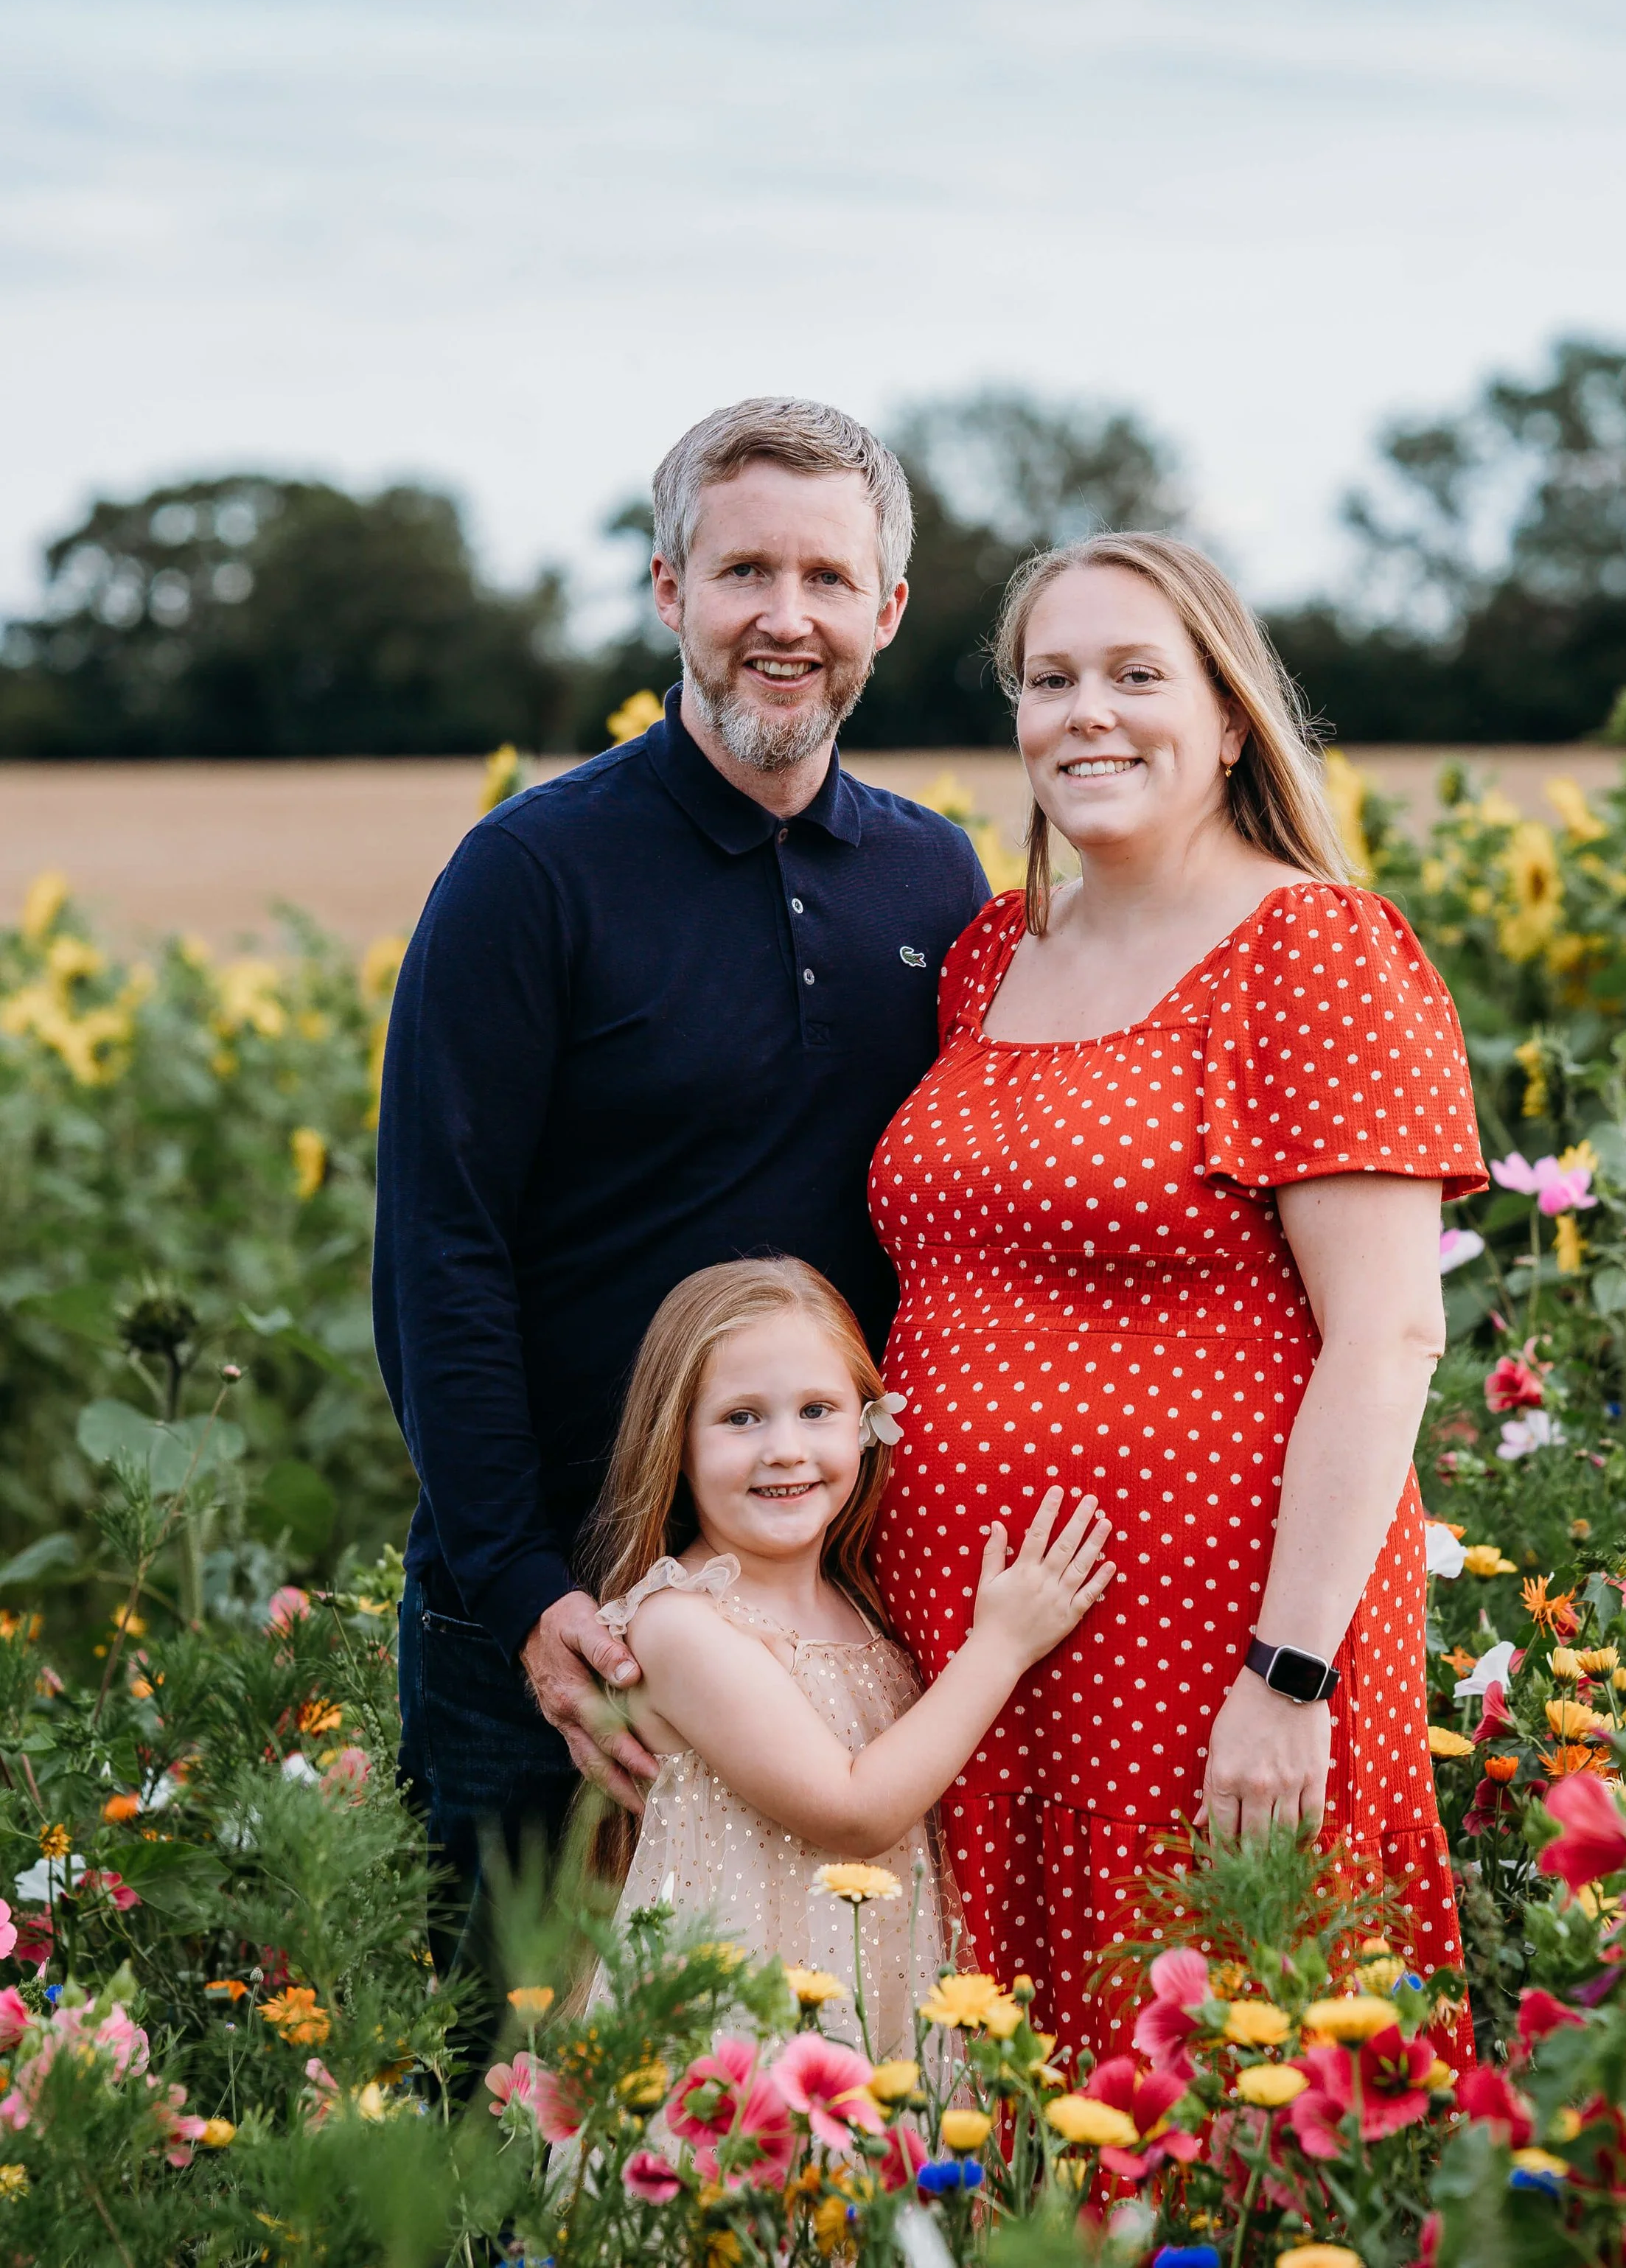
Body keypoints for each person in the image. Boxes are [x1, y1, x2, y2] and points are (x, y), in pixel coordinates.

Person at [374, 400, 989, 2022]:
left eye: (825, 577)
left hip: (808, 1617)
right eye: (741, 572)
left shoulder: (939, 888)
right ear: (667, 591)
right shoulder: (532, 873)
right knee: (495, 2082)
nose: (784, 616)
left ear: (886, 613)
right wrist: (526, 1595)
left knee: (796, 2077)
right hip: (546, 1618)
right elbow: (439, 1250)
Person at [867, 533, 1487, 2065]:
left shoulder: (1312, 949)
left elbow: (1389, 1330)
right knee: (1006, 2090)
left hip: (1214, 1633)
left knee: (1219, 2056)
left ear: (1226, 719)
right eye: (1049, 679)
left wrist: (1290, 1673)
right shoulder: (990, 951)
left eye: (1136, 675)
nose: (1087, 713)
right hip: (978, 1637)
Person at [571, 1257, 1113, 2054]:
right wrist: (1002, 1644)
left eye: (817, 1409)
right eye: (741, 1417)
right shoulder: (681, 1622)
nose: (785, 1448)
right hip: (744, 2026)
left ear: (868, 1421)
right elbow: (853, 1811)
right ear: (675, 1439)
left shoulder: (856, 1599)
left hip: (871, 1997)